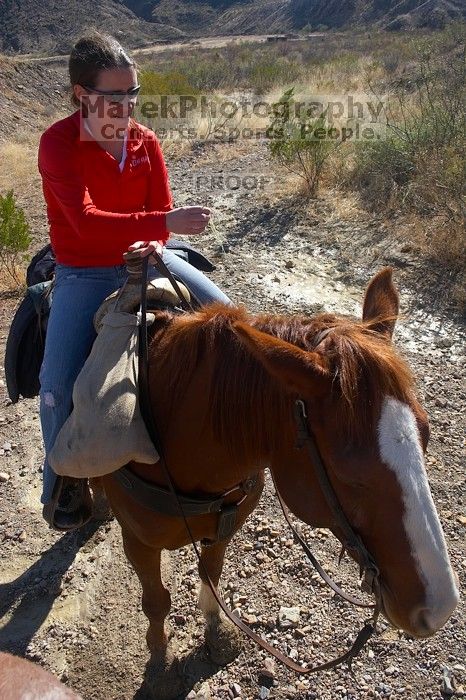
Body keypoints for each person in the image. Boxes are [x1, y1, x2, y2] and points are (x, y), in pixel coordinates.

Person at [37, 31, 231, 531]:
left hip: (147, 257)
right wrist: (164, 225)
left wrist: (158, 238)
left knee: (229, 320)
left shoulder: (146, 141)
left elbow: (159, 208)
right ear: (82, 95)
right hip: (84, 271)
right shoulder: (58, 144)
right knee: (57, 381)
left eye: (133, 94)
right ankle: (62, 482)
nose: (126, 106)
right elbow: (85, 221)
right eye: (115, 95)